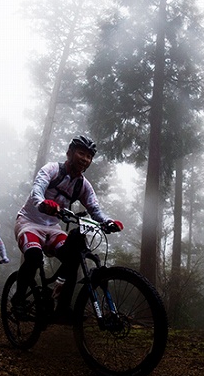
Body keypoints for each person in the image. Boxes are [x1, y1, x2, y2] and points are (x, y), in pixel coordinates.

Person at [12, 135, 123, 323]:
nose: (85, 159)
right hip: (29, 222)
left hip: (52, 228)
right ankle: (18, 300)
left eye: (89, 156)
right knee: (33, 256)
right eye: (81, 153)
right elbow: (37, 189)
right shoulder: (52, 170)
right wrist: (42, 203)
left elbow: (94, 208)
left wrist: (107, 222)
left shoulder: (83, 185)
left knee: (73, 258)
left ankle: (62, 307)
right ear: (70, 153)